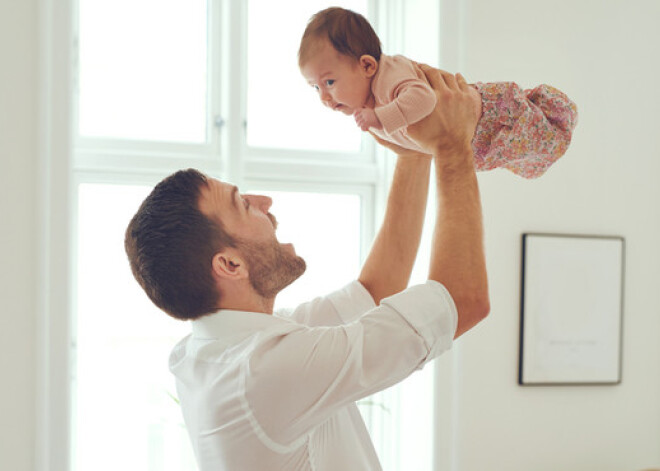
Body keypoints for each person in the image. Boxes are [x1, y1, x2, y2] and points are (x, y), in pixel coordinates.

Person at [124, 66, 489, 470]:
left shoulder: (223, 349)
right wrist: (453, 147)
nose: (264, 201)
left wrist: (413, 148)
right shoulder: (262, 373)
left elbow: (377, 289)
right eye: (243, 204)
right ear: (229, 264)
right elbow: (463, 300)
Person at [299, 6, 578, 179]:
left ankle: (556, 114)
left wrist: (379, 118)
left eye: (330, 82)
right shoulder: (370, 105)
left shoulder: (388, 75)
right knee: (527, 160)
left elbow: (423, 98)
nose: (324, 97)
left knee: (548, 139)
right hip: (475, 141)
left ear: (367, 65)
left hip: (490, 116)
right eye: (315, 87)